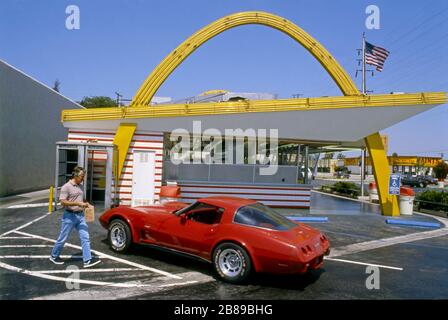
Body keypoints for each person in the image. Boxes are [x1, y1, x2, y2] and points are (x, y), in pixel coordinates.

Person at [49, 166, 101, 268]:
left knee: (85, 237)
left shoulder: (81, 186)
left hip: (80, 216)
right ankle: (54, 256)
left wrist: (88, 205)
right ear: (75, 175)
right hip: (69, 216)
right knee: (63, 238)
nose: (83, 178)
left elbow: (83, 199)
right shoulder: (66, 187)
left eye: (83, 176)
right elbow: (63, 201)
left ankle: (87, 260)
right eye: (82, 176)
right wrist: (77, 203)